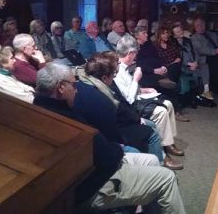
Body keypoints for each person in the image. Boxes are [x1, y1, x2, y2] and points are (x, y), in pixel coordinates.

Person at [33, 62, 186, 213]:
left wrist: (112, 148)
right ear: (61, 87)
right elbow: (106, 157)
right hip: (92, 185)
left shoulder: (39, 109)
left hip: (94, 167)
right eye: (74, 85)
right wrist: (115, 148)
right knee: (167, 177)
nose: (77, 90)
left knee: (151, 160)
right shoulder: (62, 119)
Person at [114, 35, 185, 157]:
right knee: (161, 111)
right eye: (135, 53)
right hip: (131, 107)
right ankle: (162, 149)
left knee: (168, 103)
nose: (136, 56)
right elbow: (128, 99)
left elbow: (130, 88)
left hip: (137, 98)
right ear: (130, 53)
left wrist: (143, 89)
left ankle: (169, 142)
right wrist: (136, 80)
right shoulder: (117, 71)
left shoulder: (128, 67)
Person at [191, 17, 218, 101]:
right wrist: (215, 51)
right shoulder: (194, 37)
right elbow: (201, 50)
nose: (200, 27)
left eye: (202, 25)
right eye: (197, 26)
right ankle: (206, 90)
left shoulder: (212, 34)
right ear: (195, 27)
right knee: (208, 64)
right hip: (204, 58)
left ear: (205, 26)